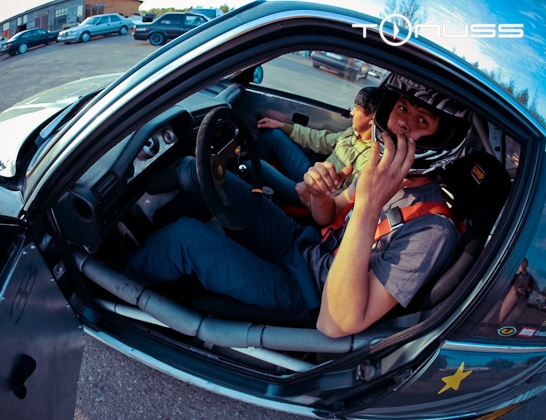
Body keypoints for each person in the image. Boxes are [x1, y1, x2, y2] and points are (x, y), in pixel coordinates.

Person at [125, 74, 469, 338]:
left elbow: (336, 323)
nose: (403, 123)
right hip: (302, 243)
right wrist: (319, 196)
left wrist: (368, 203)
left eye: (422, 121)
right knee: (212, 178)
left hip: (310, 294)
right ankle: (143, 237)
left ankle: (117, 288)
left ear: (444, 140)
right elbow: (327, 216)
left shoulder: (432, 230)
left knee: (183, 238)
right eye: (402, 109)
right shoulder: (382, 174)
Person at [253, 87, 383, 207]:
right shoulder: (352, 133)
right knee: (274, 135)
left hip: (315, 196)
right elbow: (321, 139)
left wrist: (314, 195)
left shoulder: (371, 159)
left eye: (357, 109)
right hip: (312, 173)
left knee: (253, 166)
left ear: (372, 117)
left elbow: (345, 198)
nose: (352, 113)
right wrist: (282, 125)